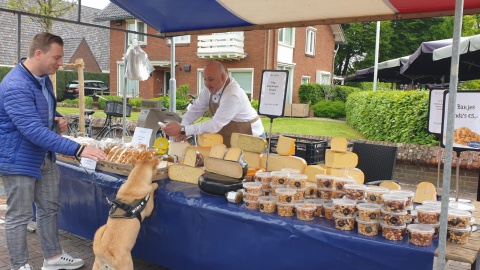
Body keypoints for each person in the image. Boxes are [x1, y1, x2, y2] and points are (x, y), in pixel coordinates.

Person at [0, 32, 107, 270]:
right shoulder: (16, 85)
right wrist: (78, 149)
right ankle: (19, 265)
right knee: (19, 215)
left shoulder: (42, 78)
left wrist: (55, 119)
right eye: (56, 58)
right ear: (38, 54)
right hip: (19, 159)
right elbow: (31, 130)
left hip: (43, 155)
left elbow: (39, 115)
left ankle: (53, 256)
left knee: (50, 206)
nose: (60, 63)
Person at [163, 60, 264, 147]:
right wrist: (183, 127)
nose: (207, 83)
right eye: (205, 79)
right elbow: (195, 110)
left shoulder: (232, 94)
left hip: (251, 138)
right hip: (232, 137)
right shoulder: (209, 89)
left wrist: (184, 129)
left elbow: (215, 125)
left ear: (223, 77)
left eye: (210, 79)